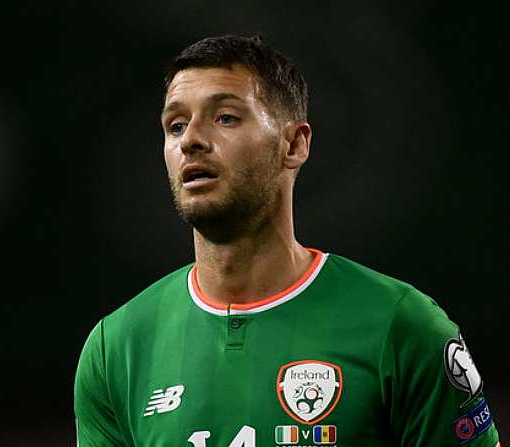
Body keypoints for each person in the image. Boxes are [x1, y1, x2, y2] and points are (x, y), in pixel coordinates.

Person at [73, 33, 501, 447]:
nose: (192, 141)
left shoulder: (401, 327)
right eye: (176, 124)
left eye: (225, 117)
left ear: (294, 144)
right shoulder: (117, 349)